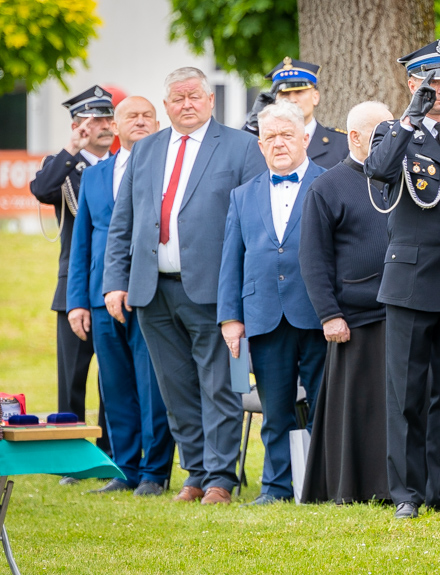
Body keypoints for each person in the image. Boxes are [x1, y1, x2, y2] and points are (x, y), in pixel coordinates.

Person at [103, 67, 267, 505]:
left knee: (221, 386)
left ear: (210, 100)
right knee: (175, 389)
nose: (187, 104)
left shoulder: (240, 147)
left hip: (215, 291)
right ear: (167, 105)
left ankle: (219, 479)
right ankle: (194, 474)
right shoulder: (145, 150)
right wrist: (114, 282)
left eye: (194, 96)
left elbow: (254, 225)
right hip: (152, 291)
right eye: (177, 98)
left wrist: (244, 295)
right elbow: (124, 223)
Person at [364, 39, 440, 519]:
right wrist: (409, 118)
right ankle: (408, 492)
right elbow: (377, 171)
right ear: (414, 84)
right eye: (432, 81)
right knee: (407, 393)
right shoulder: (394, 133)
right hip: (413, 281)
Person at [218, 100, 327, 506]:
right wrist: (230, 318)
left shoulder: (328, 182)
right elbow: (232, 259)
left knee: (324, 405)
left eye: (285, 135)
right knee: (275, 410)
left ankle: (322, 484)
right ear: (260, 146)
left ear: (304, 138)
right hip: (263, 314)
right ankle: (276, 488)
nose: (278, 144)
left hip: (318, 314)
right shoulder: (242, 195)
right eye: (269, 138)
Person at [66, 96, 174, 495]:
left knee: (152, 386)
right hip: (99, 296)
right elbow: (81, 243)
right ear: (116, 124)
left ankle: (155, 471)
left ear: (158, 121)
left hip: (150, 294)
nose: (141, 121)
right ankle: (124, 468)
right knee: (114, 387)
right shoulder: (95, 176)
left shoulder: (166, 170)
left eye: (148, 115)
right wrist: (77, 300)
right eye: (132, 116)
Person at [298, 101, 394, 504]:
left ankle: (396, 485)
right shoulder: (328, 186)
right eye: (379, 135)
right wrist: (330, 314)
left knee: (395, 407)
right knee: (356, 411)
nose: (390, 142)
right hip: (353, 318)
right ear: (355, 137)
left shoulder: (400, 180)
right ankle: (350, 487)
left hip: (401, 312)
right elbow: (313, 258)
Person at [30, 85, 112, 468]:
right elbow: (42, 189)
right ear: (78, 124)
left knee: (114, 378)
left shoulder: (123, 165)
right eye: (95, 120)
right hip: (74, 288)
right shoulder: (65, 167)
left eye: (108, 117)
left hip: (113, 284)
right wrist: (71, 149)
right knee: (72, 378)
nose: (104, 126)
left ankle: (111, 451)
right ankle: (70, 456)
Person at [243, 58, 349, 169]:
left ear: (315, 97)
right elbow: (239, 157)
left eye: (299, 92)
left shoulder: (341, 144)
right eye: (285, 94)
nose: (292, 99)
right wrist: (253, 126)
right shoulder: (262, 142)